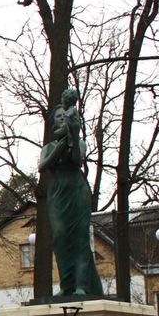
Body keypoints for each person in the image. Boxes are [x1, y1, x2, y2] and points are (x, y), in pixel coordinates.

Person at [38, 87, 104, 297]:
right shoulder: (49, 147)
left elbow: (77, 159)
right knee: (60, 237)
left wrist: (73, 138)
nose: (60, 120)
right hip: (57, 193)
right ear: (53, 123)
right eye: (57, 118)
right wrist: (60, 146)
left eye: (63, 116)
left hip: (77, 190)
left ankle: (81, 286)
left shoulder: (80, 142)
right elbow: (43, 166)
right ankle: (66, 285)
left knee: (80, 239)